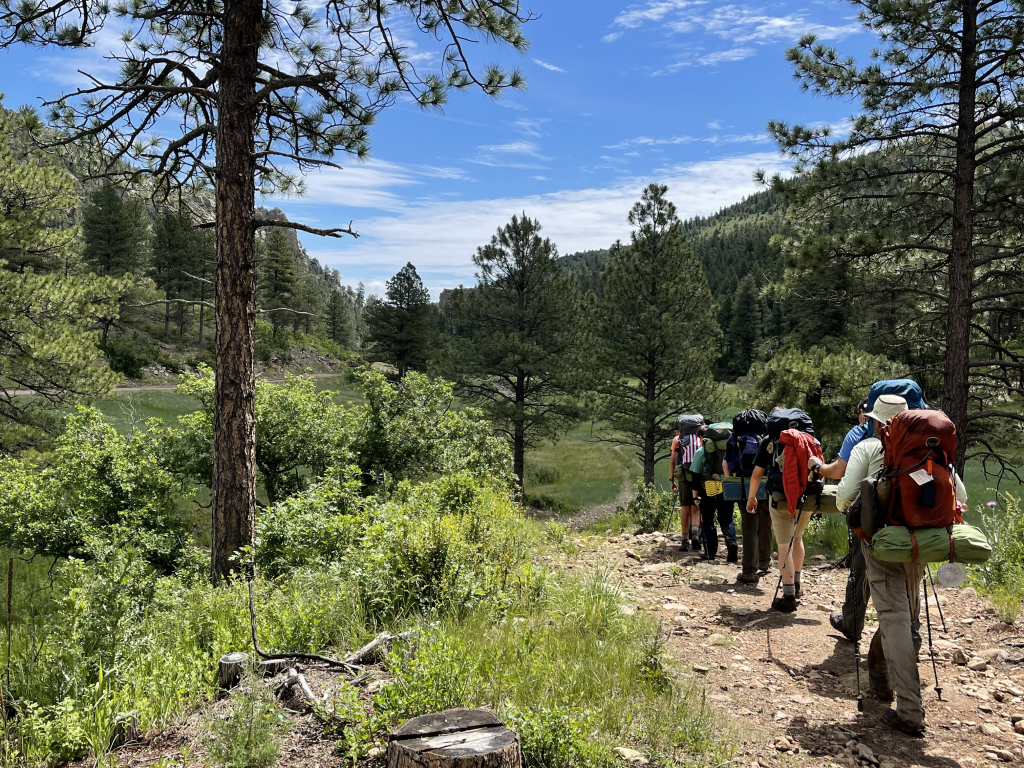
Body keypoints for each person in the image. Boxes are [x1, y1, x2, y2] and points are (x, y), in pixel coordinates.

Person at [835, 395, 967, 736]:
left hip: (883, 543)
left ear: (881, 423)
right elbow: (961, 496)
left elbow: (843, 496)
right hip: (923, 542)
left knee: (894, 617)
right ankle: (882, 670)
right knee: (907, 614)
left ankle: (908, 710)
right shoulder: (931, 451)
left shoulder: (868, 448)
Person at [744, 411, 817, 612]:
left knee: (784, 545)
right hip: (805, 498)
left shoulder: (770, 440)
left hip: (780, 497)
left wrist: (752, 497)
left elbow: (757, 473)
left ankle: (788, 595)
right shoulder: (809, 438)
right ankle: (798, 583)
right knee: (798, 538)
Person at [726, 419, 771, 584]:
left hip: (744, 486)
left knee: (749, 527)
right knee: (766, 523)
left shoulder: (734, 439)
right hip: (766, 485)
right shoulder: (766, 438)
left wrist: (730, 481)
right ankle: (764, 563)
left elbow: (727, 464)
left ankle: (749, 571)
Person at [691, 425, 738, 562]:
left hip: (708, 490)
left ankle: (710, 552)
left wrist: (695, 495)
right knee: (727, 518)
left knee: (707, 519)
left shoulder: (701, 452)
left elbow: (695, 475)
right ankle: (732, 542)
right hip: (726, 488)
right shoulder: (729, 450)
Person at [670, 424, 703, 551]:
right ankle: (695, 534)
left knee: (685, 508)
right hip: (697, 475)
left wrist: (672, 480)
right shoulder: (701, 437)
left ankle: (684, 540)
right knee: (695, 506)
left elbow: (672, 461)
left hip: (683, 476)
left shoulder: (677, 439)